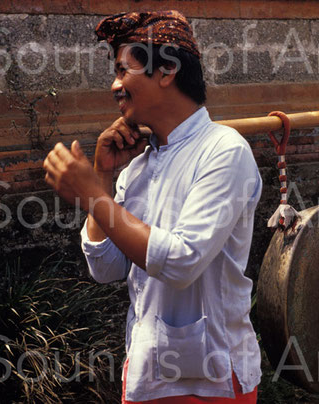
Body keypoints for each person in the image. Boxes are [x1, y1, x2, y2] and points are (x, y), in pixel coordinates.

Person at [43, 10, 262, 403]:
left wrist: (93, 196)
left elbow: (181, 261)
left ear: (167, 71)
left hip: (211, 378)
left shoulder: (224, 151)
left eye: (123, 70)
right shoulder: (138, 167)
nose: (114, 85)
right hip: (145, 371)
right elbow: (105, 267)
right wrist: (104, 177)